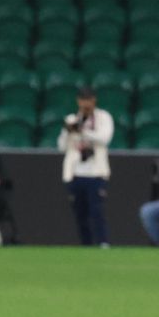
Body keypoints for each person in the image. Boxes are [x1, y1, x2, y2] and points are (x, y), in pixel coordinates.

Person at [57, 86, 114, 247]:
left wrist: (83, 131)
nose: (85, 104)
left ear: (94, 100)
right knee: (80, 213)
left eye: (88, 99)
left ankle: (103, 242)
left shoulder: (103, 117)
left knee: (97, 211)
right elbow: (61, 146)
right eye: (82, 100)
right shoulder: (72, 119)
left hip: (96, 172)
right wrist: (68, 131)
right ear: (78, 101)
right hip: (75, 172)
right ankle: (86, 244)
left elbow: (104, 138)